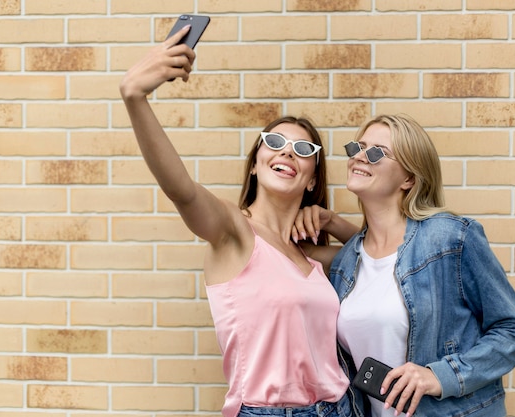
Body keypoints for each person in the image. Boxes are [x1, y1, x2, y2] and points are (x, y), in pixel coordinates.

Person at [119, 25, 357, 417]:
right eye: (275, 143)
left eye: (303, 148)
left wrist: (331, 220)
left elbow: (383, 256)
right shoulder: (234, 232)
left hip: (339, 408)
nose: (287, 152)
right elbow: (183, 190)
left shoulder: (310, 256)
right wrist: (135, 97)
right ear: (256, 163)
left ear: (313, 176)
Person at [296, 114, 515, 417]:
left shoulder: (451, 239)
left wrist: (440, 376)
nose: (359, 156)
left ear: (408, 178)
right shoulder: (347, 262)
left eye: (376, 153)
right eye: (358, 147)